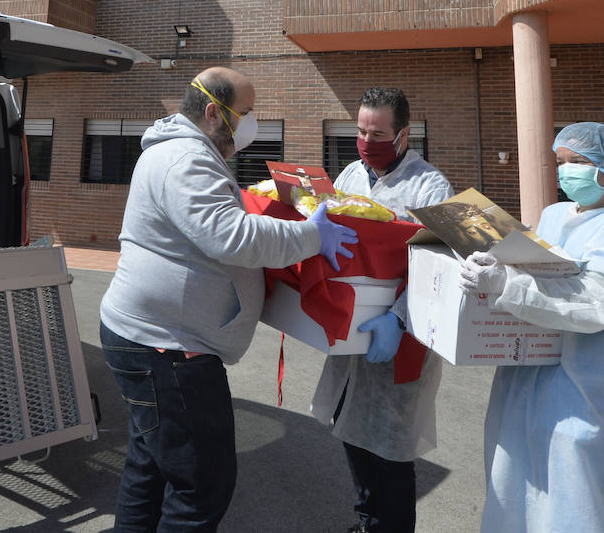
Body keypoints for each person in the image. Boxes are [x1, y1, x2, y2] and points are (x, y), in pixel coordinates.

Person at [99, 67, 359, 531]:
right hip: (169, 348)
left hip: (152, 336)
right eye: (247, 112)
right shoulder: (187, 159)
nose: (252, 122)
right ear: (214, 112)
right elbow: (230, 236)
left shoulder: (179, 152)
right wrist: (310, 237)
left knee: (151, 468)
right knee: (200, 485)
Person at [460, 123, 604, 533]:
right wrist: (496, 265)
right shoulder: (554, 216)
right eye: (561, 162)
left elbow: (597, 300)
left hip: (588, 384)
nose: (566, 171)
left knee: (578, 493)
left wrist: (509, 285)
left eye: (579, 162)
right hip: (526, 375)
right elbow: (538, 270)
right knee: (516, 480)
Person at [312, 87, 452, 533]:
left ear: (404, 134)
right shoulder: (351, 174)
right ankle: (366, 522)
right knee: (350, 429)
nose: (366, 140)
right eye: (360, 130)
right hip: (351, 327)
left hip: (400, 334)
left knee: (391, 449)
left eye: (377, 132)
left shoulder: (430, 185)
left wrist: (397, 317)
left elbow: (439, 262)